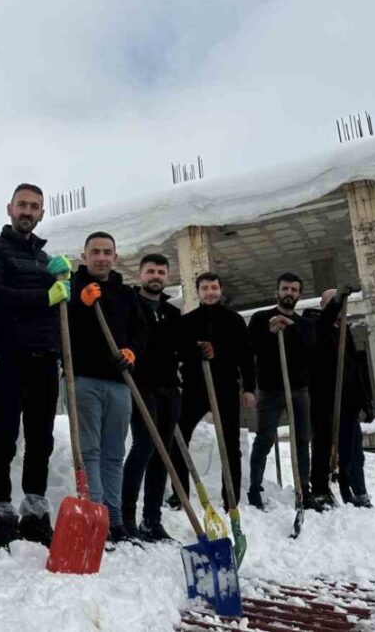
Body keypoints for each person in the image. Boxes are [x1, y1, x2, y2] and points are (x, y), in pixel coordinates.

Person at [0, 183, 65, 550]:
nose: (28, 211)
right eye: (22, 205)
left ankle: (35, 513)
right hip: (9, 358)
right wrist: (46, 295)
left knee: (41, 441)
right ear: (9, 208)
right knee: (4, 439)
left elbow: (56, 311)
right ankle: (1, 515)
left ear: (42, 214)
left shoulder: (47, 262)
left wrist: (63, 281)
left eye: (35, 207)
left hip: (45, 359)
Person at [68, 233, 147, 545]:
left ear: (115, 256)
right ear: (84, 255)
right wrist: (79, 304)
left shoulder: (126, 294)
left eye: (107, 252)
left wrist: (131, 351)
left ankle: (114, 521)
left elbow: (141, 330)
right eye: (95, 252)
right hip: (85, 380)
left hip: (119, 383)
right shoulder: (72, 287)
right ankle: (94, 516)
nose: (101, 257)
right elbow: (62, 327)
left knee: (114, 453)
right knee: (90, 451)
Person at [174, 272, 255, 513]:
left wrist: (249, 387)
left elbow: (246, 356)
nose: (210, 292)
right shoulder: (187, 321)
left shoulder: (234, 320)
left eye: (214, 288)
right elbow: (178, 353)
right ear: (198, 292)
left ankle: (231, 498)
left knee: (230, 444)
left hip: (226, 388)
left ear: (221, 290)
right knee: (178, 438)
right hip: (194, 389)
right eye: (205, 288)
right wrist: (194, 352)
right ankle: (181, 497)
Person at [120, 253, 186, 543]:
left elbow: (180, 348)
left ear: (167, 277)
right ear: (141, 274)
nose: (156, 276)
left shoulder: (172, 314)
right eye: (151, 271)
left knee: (163, 452)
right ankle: (126, 517)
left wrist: (198, 349)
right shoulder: (130, 304)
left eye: (161, 271)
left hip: (169, 387)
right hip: (141, 385)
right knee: (144, 446)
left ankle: (152, 520)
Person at [246, 272, 316, 509]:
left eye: (294, 290)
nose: (289, 293)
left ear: (299, 295)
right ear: (277, 292)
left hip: (298, 390)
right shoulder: (260, 318)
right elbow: (251, 349)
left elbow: (310, 351)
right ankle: (254, 489)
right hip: (270, 390)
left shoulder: (305, 324)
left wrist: (291, 327)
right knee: (264, 438)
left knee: (302, 440)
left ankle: (303, 489)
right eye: (285, 289)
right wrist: (271, 332)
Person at [306, 287, 375, 509]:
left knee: (353, 450)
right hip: (326, 401)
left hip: (349, 402)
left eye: (342, 304)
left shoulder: (344, 330)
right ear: (324, 306)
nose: (339, 308)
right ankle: (326, 489)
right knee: (328, 448)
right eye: (334, 304)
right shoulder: (317, 326)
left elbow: (355, 367)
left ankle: (357, 490)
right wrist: (336, 301)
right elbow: (324, 323)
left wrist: (365, 400)